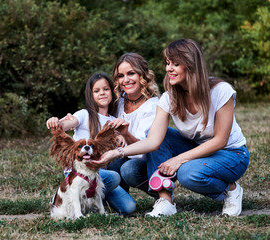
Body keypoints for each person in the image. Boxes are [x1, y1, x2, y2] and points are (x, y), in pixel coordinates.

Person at [93, 39, 250, 217]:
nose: (169, 68)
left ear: (191, 65)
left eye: (176, 64)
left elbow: (220, 140)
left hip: (232, 153)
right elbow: (153, 140)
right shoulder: (169, 98)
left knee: (187, 173)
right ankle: (165, 201)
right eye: (167, 63)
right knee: (159, 136)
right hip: (197, 149)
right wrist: (116, 153)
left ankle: (230, 190)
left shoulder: (220, 90)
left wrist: (178, 160)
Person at [46, 72, 136, 215]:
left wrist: (123, 137)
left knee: (129, 207)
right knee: (113, 177)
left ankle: (94, 201)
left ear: (112, 92)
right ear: (91, 95)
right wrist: (56, 122)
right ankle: (63, 196)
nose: (102, 93)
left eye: (106, 89)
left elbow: (122, 145)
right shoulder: (84, 114)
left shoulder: (114, 120)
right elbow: (69, 123)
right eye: (96, 90)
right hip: (79, 174)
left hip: (98, 175)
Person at [106, 52, 160, 195]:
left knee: (128, 169)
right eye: (121, 76)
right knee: (111, 160)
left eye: (131, 73)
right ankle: (119, 199)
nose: (126, 80)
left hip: (147, 162)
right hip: (121, 156)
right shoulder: (118, 101)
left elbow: (142, 153)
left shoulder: (153, 106)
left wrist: (125, 134)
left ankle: (160, 191)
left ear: (142, 75)